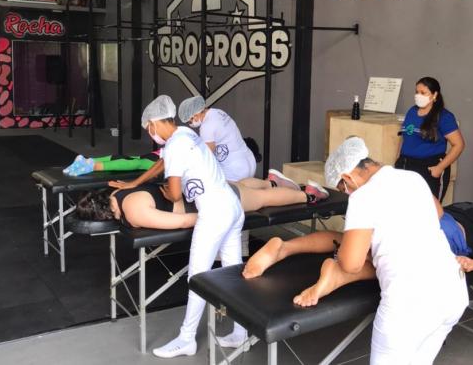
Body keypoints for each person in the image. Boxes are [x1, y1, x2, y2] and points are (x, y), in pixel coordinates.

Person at [245, 137, 468, 364]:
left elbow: (351, 263)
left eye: (344, 188)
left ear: (348, 177)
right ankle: (306, 261)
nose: (347, 193)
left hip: (409, 304)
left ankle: (291, 252)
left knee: (348, 249)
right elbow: (438, 213)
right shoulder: (412, 178)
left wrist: (359, 252)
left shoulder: (363, 197)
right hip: (452, 292)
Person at [135, 95, 246, 358]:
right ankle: (241, 332)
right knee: (233, 272)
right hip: (232, 205)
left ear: (154, 123)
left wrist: (165, 189)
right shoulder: (186, 133)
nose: (151, 135)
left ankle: (186, 338)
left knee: (197, 277)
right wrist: (135, 183)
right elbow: (164, 162)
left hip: (214, 212)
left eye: (149, 129)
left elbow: (174, 195)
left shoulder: (174, 146)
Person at [76, 176, 330, 230]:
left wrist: (217, 216)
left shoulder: (133, 213)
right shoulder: (119, 192)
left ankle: (307, 195)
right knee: (241, 185)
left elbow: (185, 221)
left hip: (207, 200)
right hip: (201, 184)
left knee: (261, 201)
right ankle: (270, 181)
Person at [395, 77, 465, 201]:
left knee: (428, 211)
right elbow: (404, 136)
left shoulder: (444, 117)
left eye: (423, 93)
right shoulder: (412, 111)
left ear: (434, 95)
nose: (418, 95)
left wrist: (440, 168)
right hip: (406, 165)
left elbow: (459, 145)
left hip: (429, 167)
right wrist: (398, 159)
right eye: (417, 92)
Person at [178, 95, 256, 182]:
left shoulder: (206, 126)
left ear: (195, 115)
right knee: (249, 194)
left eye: (189, 121)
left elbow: (207, 156)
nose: (191, 124)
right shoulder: (217, 112)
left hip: (235, 169)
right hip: (249, 159)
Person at [63, 151, 160, 176]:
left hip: (158, 154)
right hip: (162, 157)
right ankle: (92, 165)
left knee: (132, 159)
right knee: (138, 162)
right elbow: (139, 164)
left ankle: (89, 161)